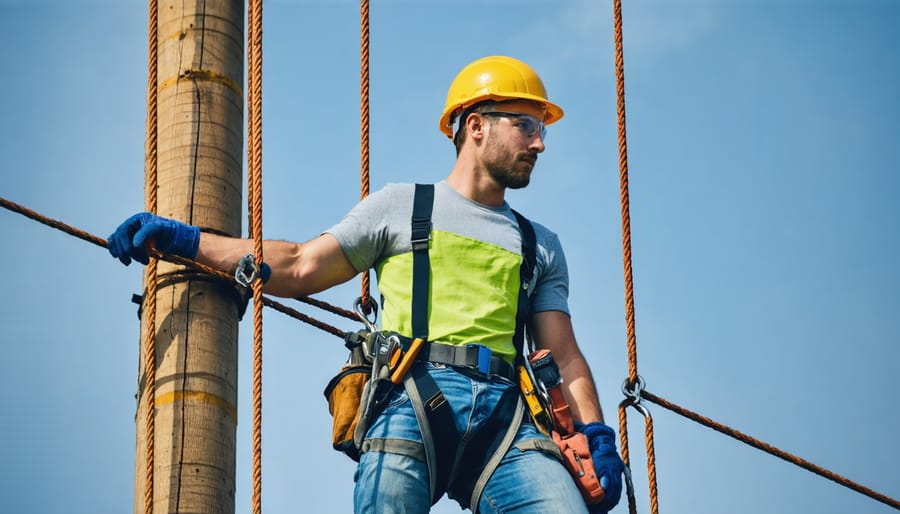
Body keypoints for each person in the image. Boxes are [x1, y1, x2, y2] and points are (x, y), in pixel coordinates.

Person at [108, 55, 624, 513]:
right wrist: (186, 242)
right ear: (476, 126)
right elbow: (300, 265)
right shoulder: (401, 207)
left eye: (542, 130)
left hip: (507, 421)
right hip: (413, 398)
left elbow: (564, 355)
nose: (539, 142)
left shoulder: (539, 244)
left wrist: (596, 434)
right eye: (527, 124)